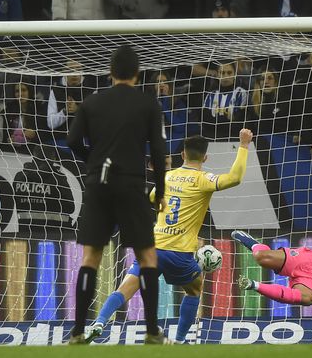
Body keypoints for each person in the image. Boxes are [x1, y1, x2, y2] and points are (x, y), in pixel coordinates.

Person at [87, 130, 253, 344]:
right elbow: (235, 178)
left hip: (152, 246)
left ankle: (99, 322)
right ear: (205, 158)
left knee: (126, 287)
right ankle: (181, 340)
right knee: (194, 290)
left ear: (182, 155)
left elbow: (153, 198)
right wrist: (243, 145)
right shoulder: (203, 179)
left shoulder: (166, 176)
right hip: (179, 252)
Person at [65, 45, 168, 344]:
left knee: (91, 257)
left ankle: (78, 331)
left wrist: (93, 160)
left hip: (98, 183)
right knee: (147, 256)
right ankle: (151, 332)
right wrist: (159, 191)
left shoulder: (92, 102)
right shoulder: (148, 104)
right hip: (131, 182)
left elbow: (71, 139)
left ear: (110, 73)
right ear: (137, 73)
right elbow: (159, 152)